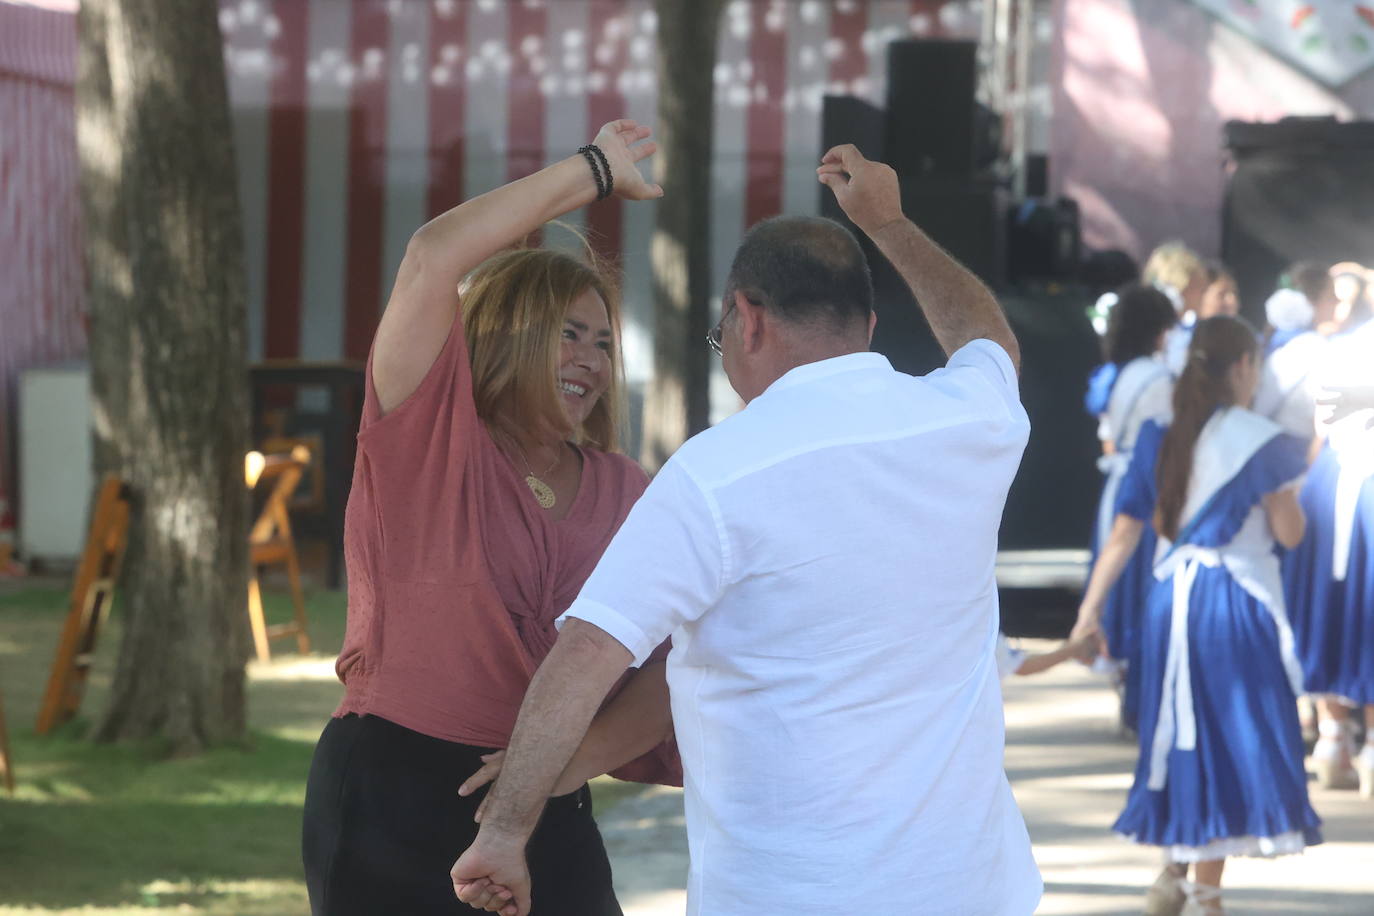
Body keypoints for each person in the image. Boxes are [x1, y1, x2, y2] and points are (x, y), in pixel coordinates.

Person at [450, 144, 1042, 916]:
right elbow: (987, 337)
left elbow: (589, 653)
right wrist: (889, 224)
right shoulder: (971, 421)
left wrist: (502, 831)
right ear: (864, 325)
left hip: (787, 893)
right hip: (972, 887)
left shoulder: (715, 474)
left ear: (748, 319)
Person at [299, 119, 682, 916]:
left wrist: (567, 764)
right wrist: (593, 173)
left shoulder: (626, 490)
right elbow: (433, 256)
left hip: (545, 799)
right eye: (569, 334)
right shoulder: (427, 438)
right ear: (507, 333)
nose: (592, 358)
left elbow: (670, 666)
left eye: (606, 343)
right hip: (391, 795)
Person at [1071, 316, 1322, 916]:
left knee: (1184, 734)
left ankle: (1179, 873)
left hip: (1170, 604)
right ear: (1242, 367)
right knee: (1230, 743)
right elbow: (1289, 533)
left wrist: (1088, 611)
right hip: (1234, 604)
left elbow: (1127, 534)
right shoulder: (1259, 441)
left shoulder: (1160, 435)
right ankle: (1203, 896)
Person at [1081, 284, 1177, 731]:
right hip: (1145, 485)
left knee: (1122, 582)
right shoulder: (1156, 378)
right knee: (1141, 588)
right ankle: (1141, 698)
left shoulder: (1116, 372)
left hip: (1116, 485)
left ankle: (1129, 691)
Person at [1285, 318, 1374, 794]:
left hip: (1331, 477)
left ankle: (1332, 736)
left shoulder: (1341, 349)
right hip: (1365, 487)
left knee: (1329, 602)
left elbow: (1321, 429)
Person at [1142, 241, 1207, 376]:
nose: (1204, 292)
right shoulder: (1158, 321)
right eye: (1200, 286)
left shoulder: (1184, 325)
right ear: (1185, 281)